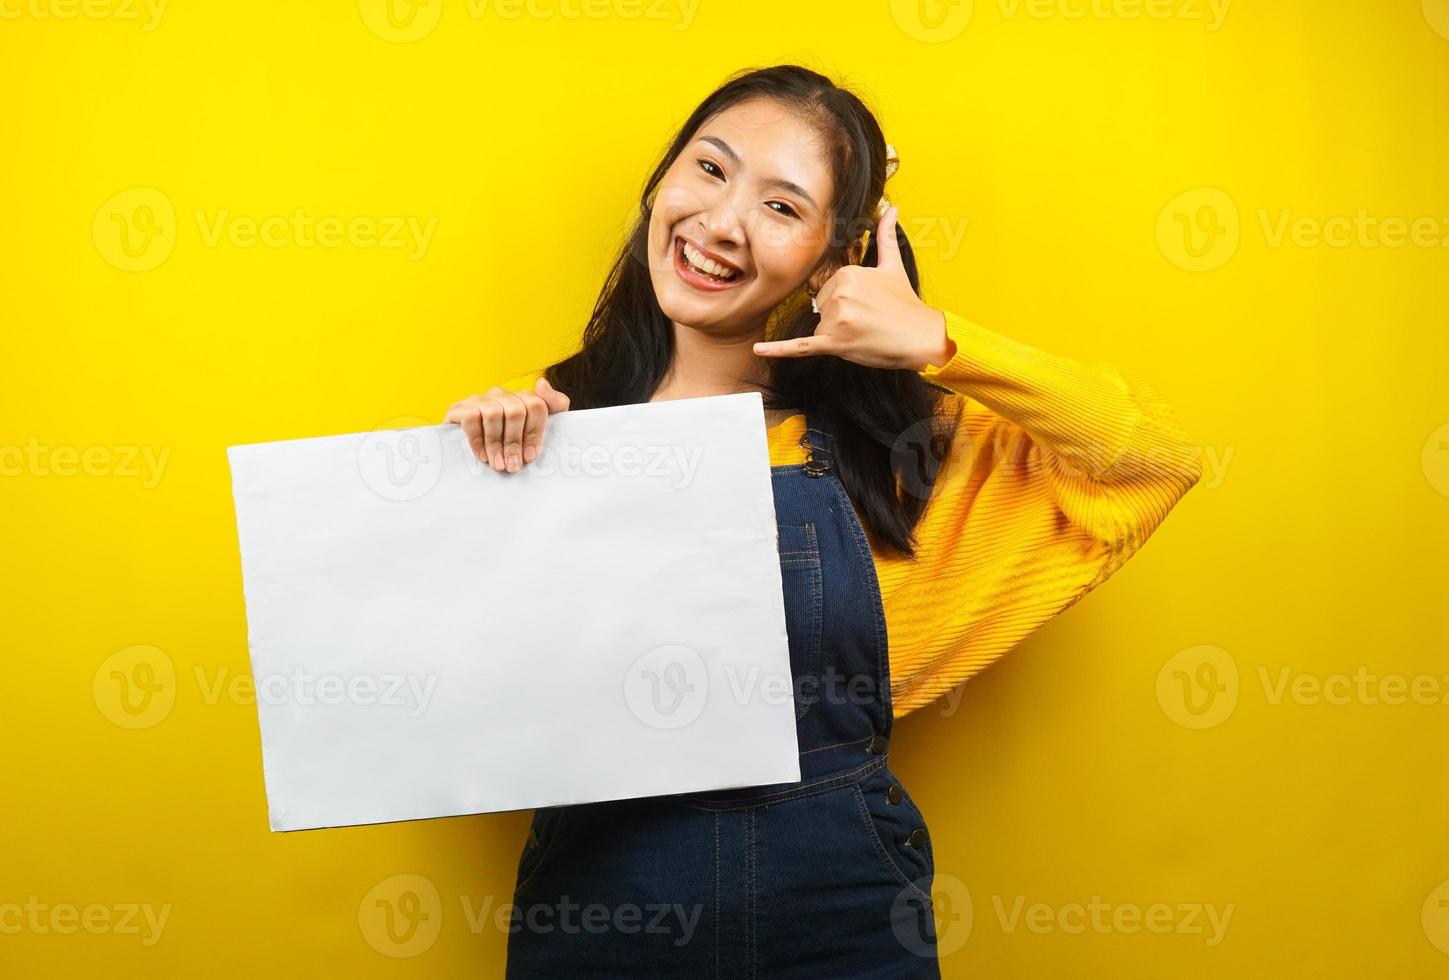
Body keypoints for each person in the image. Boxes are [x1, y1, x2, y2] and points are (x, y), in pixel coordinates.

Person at [443, 63, 1203, 978]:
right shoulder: (552, 429)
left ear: (830, 264)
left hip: (840, 913)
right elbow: (456, 690)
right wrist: (465, 489)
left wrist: (940, 340)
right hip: (602, 908)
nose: (721, 223)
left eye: (782, 207)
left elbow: (1157, 460)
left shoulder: (901, 454)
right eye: (711, 170)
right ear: (662, 185)